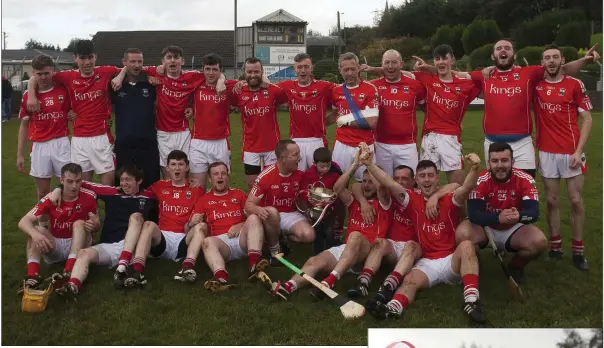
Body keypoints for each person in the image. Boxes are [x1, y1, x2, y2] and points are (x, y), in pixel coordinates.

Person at [433, 39, 599, 178]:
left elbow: (560, 69)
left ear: (514, 55)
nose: (503, 50)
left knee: (525, 189)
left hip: (522, 144)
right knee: (497, 190)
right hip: (492, 143)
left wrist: (585, 60)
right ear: (493, 56)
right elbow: (450, 73)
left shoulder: (529, 73)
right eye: (499, 48)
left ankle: (523, 218)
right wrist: (427, 69)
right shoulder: (484, 76)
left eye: (507, 48)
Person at [363, 153, 486, 324]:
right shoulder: (412, 199)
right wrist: (369, 163)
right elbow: (389, 182)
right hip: (428, 261)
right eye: (422, 176)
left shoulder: (450, 198)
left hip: (451, 260)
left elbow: (466, 187)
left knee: (466, 245)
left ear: (437, 178)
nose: (427, 180)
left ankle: (471, 301)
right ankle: (391, 308)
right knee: (410, 281)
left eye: (430, 175)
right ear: (416, 181)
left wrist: (474, 169)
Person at [268, 146, 392, 301]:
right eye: (364, 181)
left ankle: (329, 281)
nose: (366, 185)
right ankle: (289, 286)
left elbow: (382, 187)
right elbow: (338, 188)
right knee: (315, 261)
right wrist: (356, 164)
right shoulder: (356, 201)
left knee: (354, 236)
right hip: (348, 250)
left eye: (371, 182)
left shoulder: (384, 203)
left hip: (369, 250)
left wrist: (369, 163)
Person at [112, 45, 226, 179]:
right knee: (168, 175)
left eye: (176, 58)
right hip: (162, 133)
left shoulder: (192, 76)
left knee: (184, 174)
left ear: (182, 61)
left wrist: (221, 80)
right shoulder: (155, 73)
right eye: (169, 57)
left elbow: (213, 72)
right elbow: (132, 68)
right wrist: (120, 77)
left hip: (183, 132)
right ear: (163, 61)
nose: (173, 61)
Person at [348, 165, 458, 300]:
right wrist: (368, 165)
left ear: (414, 181)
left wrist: (436, 196)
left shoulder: (420, 195)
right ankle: (363, 282)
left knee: (411, 245)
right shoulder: (391, 196)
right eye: (397, 178)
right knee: (380, 242)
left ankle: (389, 285)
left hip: (413, 249)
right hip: (392, 248)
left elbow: (455, 185)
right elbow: (356, 186)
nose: (400, 182)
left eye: (405, 179)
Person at [48, 164, 158, 300]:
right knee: (83, 254)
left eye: (128, 180)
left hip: (134, 246)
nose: (124, 183)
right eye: (122, 180)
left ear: (139, 181)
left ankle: (122, 267)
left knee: (136, 217)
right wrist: (59, 188)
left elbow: (170, 193)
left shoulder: (149, 196)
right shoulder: (112, 192)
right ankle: (72, 286)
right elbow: (82, 183)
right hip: (109, 245)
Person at [26, 40, 124, 185]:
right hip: (79, 139)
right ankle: (91, 208)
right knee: (83, 185)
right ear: (75, 58)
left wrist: (120, 77)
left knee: (108, 183)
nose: (87, 62)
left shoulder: (105, 72)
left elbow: (125, 68)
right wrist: (32, 96)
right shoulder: (68, 76)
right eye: (83, 58)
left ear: (95, 57)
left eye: (90, 57)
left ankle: (108, 208)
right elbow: (36, 76)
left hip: (102, 136)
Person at [534, 45, 593, 270]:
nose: (551, 61)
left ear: (562, 60)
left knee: (576, 201)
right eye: (547, 58)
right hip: (547, 152)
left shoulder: (575, 84)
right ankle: (556, 247)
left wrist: (579, 151)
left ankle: (578, 251)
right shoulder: (536, 86)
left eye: (555, 57)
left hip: (571, 151)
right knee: (551, 201)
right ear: (542, 62)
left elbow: (587, 119)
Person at [456, 142, 546, 285]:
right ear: (489, 163)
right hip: (485, 227)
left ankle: (515, 267)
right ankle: (475, 266)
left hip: (512, 227)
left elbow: (533, 213)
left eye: (504, 160)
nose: (500, 165)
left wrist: (519, 216)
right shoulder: (480, 180)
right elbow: (473, 215)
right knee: (462, 234)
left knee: (539, 242)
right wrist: (498, 217)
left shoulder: (525, 179)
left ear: (512, 161)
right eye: (495, 161)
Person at [123, 150, 207, 287]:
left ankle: (186, 267)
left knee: (201, 227)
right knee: (149, 225)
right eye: (173, 164)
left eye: (181, 164)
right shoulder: (159, 186)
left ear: (187, 167)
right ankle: (137, 271)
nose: (177, 168)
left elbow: (204, 210)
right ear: (167, 168)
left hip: (184, 239)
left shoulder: (197, 190)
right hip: (163, 239)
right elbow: (140, 194)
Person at [17, 163, 100, 291]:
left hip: (79, 243)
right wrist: (36, 235)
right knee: (36, 231)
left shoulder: (89, 196)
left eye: (78, 181)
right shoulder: (51, 198)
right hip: (56, 244)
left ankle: (68, 271)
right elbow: (23, 222)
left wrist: (94, 224)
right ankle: (32, 276)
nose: (74, 186)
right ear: (61, 180)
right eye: (69, 181)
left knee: (79, 223)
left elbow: (97, 223)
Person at [195, 162, 269, 292]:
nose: (220, 177)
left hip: (243, 239)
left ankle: (254, 266)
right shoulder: (203, 199)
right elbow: (195, 225)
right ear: (209, 179)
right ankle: (221, 278)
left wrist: (241, 225)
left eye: (223, 173)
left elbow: (252, 217)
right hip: (222, 244)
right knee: (206, 242)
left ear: (228, 176)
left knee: (253, 218)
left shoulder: (239, 194)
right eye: (216, 174)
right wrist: (193, 221)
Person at [246, 140, 315, 261]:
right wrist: (258, 209)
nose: (299, 158)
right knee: (272, 212)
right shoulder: (266, 176)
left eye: (299, 154)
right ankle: (274, 249)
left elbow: (303, 202)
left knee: (309, 236)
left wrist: (310, 203)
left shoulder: (300, 175)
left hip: (291, 214)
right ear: (283, 158)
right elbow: (249, 204)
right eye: (295, 155)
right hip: (270, 216)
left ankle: (283, 237)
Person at [17, 55, 72, 202]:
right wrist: (20, 155)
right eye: (39, 74)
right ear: (33, 73)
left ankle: (66, 222)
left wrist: (73, 114)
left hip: (61, 143)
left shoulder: (63, 90)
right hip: (39, 146)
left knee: (68, 188)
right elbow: (23, 125)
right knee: (43, 193)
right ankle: (44, 224)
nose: (43, 77)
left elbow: (76, 110)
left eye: (46, 73)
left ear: (52, 71)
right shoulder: (28, 97)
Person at [272, 53, 337, 170]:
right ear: (294, 69)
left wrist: (322, 122)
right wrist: (241, 83)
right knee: (297, 177)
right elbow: (265, 87)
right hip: (296, 141)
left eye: (306, 67)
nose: (303, 70)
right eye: (299, 67)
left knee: (318, 178)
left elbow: (345, 92)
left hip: (317, 140)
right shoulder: (287, 86)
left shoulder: (324, 87)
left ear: (312, 68)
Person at [231, 57, 288, 189]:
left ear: (262, 72)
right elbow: (227, 104)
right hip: (250, 147)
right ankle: (255, 210)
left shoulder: (273, 90)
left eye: (256, 71)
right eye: (249, 72)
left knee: (274, 184)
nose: (253, 75)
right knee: (253, 185)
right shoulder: (238, 92)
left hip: (272, 146)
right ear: (244, 72)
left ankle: (272, 209)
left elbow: (287, 100)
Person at [370, 49, 426, 176]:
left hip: (407, 145)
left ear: (401, 64)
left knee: (408, 183)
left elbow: (427, 108)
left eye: (394, 62)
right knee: (383, 184)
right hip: (380, 144)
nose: (390, 66)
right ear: (382, 64)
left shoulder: (415, 85)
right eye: (387, 62)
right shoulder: (373, 87)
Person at [111, 48, 160, 190]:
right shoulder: (115, 86)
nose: (136, 65)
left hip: (148, 144)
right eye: (132, 61)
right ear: (124, 62)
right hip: (124, 145)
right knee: (124, 184)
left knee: (150, 185)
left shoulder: (151, 85)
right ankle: (122, 212)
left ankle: (150, 213)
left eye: (140, 61)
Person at [187, 54, 237, 190]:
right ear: (202, 69)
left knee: (220, 186)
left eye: (215, 69)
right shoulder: (196, 84)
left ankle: (219, 211)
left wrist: (222, 80)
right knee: (197, 187)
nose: (210, 73)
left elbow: (249, 82)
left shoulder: (229, 86)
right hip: (198, 142)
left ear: (221, 71)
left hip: (220, 142)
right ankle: (198, 211)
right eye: (207, 69)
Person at [330, 52, 380, 182]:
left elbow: (371, 122)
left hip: (364, 145)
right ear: (340, 70)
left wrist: (345, 121)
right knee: (339, 181)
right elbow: (335, 115)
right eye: (346, 70)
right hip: (342, 145)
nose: (350, 73)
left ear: (358, 68)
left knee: (367, 183)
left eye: (353, 69)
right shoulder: (336, 91)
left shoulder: (370, 89)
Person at [300, 147, 344, 254]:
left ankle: (332, 252)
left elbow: (338, 193)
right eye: (322, 166)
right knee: (317, 233)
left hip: (330, 211)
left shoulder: (335, 175)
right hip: (315, 211)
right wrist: (308, 198)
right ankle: (317, 254)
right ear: (314, 163)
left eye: (328, 165)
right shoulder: (308, 174)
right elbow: (305, 190)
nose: (325, 169)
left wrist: (332, 202)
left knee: (330, 232)